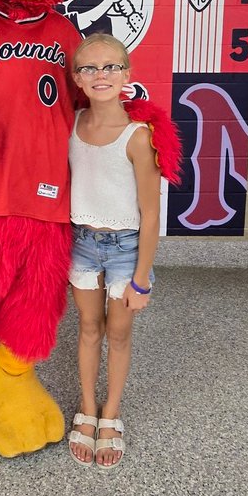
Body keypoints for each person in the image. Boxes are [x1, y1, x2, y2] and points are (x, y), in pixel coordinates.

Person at [67, 33, 165, 471]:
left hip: (126, 249)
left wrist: (142, 278)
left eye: (110, 67)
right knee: (89, 328)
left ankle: (111, 413)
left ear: (127, 75)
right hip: (82, 243)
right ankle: (87, 409)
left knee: (118, 333)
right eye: (89, 68)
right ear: (76, 78)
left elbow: (150, 213)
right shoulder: (70, 125)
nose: (100, 75)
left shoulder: (138, 136)